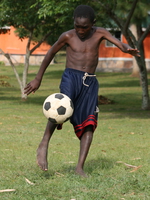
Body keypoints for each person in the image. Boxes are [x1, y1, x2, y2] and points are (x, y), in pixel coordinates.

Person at [24, 5, 140, 177]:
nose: (80, 30)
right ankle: (44, 143)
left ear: (93, 23)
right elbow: (49, 53)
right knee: (60, 106)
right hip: (71, 77)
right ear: (74, 22)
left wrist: (125, 48)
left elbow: (118, 43)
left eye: (84, 27)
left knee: (89, 125)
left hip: (90, 82)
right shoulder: (68, 36)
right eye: (77, 26)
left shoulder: (100, 33)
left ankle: (79, 167)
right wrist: (38, 78)